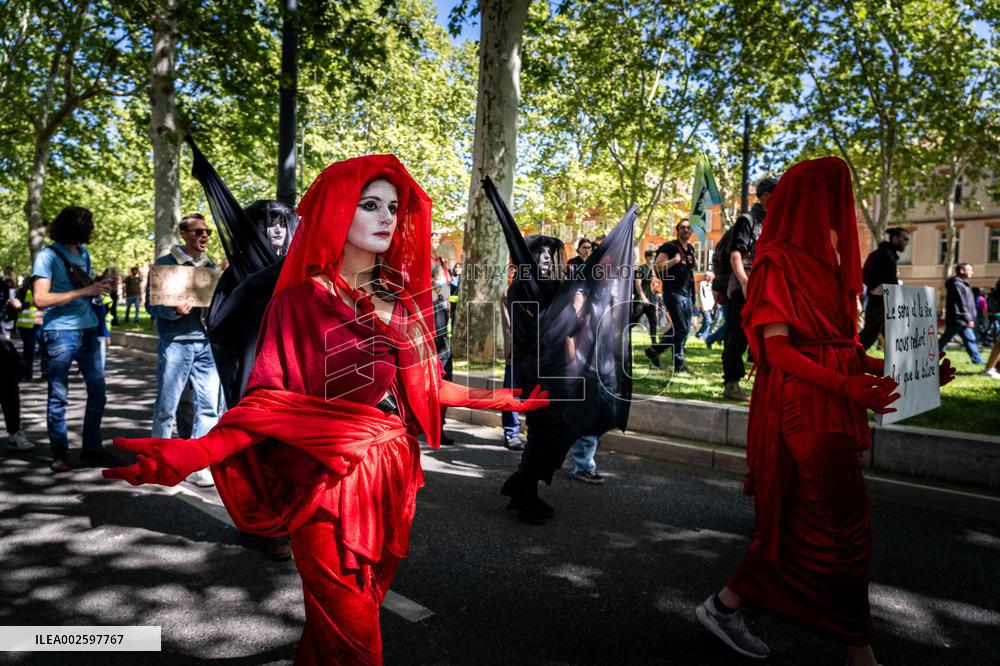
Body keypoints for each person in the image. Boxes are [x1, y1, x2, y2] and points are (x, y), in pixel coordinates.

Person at [105, 155, 547, 663]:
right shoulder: (299, 302)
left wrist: (498, 398)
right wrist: (195, 452)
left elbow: (425, 385)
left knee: (349, 620)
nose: (387, 217)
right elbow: (269, 401)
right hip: (325, 485)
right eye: (369, 205)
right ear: (337, 211)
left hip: (392, 478)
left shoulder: (400, 301)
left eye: (393, 208)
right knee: (356, 641)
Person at [694, 157, 954, 666]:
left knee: (804, 519)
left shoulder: (830, 265)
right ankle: (861, 654)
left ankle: (725, 606)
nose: (843, 213)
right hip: (805, 408)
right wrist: (847, 386)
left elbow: (844, 349)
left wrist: (913, 371)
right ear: (809, 204)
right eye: (834, 200)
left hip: (834, 402)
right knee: (845, 529)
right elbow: (777, 352)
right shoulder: (776, 262)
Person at [30, 206, 114, 472]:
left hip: (89, 330)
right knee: (59, 395)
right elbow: (40, 299)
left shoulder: (83, 253)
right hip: (60, 332)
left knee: (98, 392)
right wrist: (85, 291)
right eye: (88, 225)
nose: (91, 230)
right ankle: (59, 454)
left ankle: (91, 449)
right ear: (75, 227)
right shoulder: (47, 256)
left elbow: (84, 290)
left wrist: (98, 287)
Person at [147, 213, 222, 487]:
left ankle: (198, 464)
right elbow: (152, 307)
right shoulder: (165, 265)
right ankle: (158, 460)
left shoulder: (211, 267)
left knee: (209, 406)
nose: (204, 236)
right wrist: (174, 310)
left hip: (206, 344)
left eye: (207, 232)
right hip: (176, 343)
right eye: (198, 231)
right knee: (167, 405)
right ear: (184, 234)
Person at [721, 177, 776, 401]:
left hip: (766, 289)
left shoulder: (773, 222)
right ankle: (731, 384)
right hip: (745, 289)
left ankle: (765, 386)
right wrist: (745, 283)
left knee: (766, 336)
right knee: (738, 336)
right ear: (765, 196)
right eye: (778, 194)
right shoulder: (748, 220)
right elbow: (736, 255)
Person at [646, 219, 697, 373]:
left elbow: (689, 270)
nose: (686, 230)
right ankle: (678, 363)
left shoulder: (690, 248)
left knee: (683, 329)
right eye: (682, 227)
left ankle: (655, 351)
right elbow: (657, 267)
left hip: (688, 294)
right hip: (673, 292)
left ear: (691, 231)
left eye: (688, 228)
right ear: (677, 230)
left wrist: (693, 263)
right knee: (681, 328)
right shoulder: (669, 246)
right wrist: (674, 261)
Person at [859, 228, 909, 350]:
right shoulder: (887, 254)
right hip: (881, 301)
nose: (906, 242)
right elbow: (891, 281)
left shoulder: (882, 253)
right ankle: (848, 356)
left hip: (880, 300)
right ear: (895, 238)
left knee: (888, 334)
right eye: (904, 238)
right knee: (870, 335)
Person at [938, 263, 984, 364]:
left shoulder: (963, 284)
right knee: (945, 339)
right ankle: (932, 356)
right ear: (962, 270)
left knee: (970, 339)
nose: (972, 272)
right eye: (970, 270)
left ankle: (978, 360)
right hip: (958, 319)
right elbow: (961, 302)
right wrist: (968, 318)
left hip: (962, 319)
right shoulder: (956, 284)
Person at [13, 276, 43, 380]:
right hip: (26, 326)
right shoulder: (22, 291)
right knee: (29, 351)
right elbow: (17, 306)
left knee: (45, 349)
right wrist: (30, 303)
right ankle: (27, 374)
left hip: (40, 323)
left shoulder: (42, 291)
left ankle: (45, 373)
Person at [634, 250, 658, 338]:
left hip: (650, 299)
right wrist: (643, 297)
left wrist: (654, 286)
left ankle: (654, 342)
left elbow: (648, 285)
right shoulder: (640, 269)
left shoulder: (651, 270)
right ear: (647, 257)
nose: (655, 259)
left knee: (653, 321)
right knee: (633, 320)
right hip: (640, 300)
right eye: (653, 257)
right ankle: (621, 337)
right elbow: (638, 284)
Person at [696, 270, 717, 339]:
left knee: (708, 321)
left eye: (707, 275)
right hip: (704, 306)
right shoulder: (702, 284)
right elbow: (701, 296)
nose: (705, 277)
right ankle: (699, 333)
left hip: (711, 306)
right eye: (705, 275)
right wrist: (703, 307)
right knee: (708, 321)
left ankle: (705, 336)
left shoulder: (712, 284)